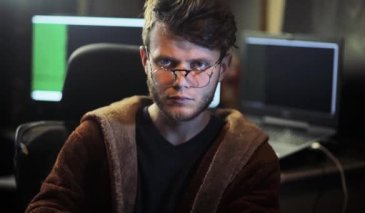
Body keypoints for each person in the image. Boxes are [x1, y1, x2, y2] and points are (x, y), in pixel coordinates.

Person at [26, 0, 280, 212]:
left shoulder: (252, 159)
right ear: (145, 60)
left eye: (199, 65)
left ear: (222, 68)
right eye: (167, 63)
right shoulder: (95, 137)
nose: (181, 82)